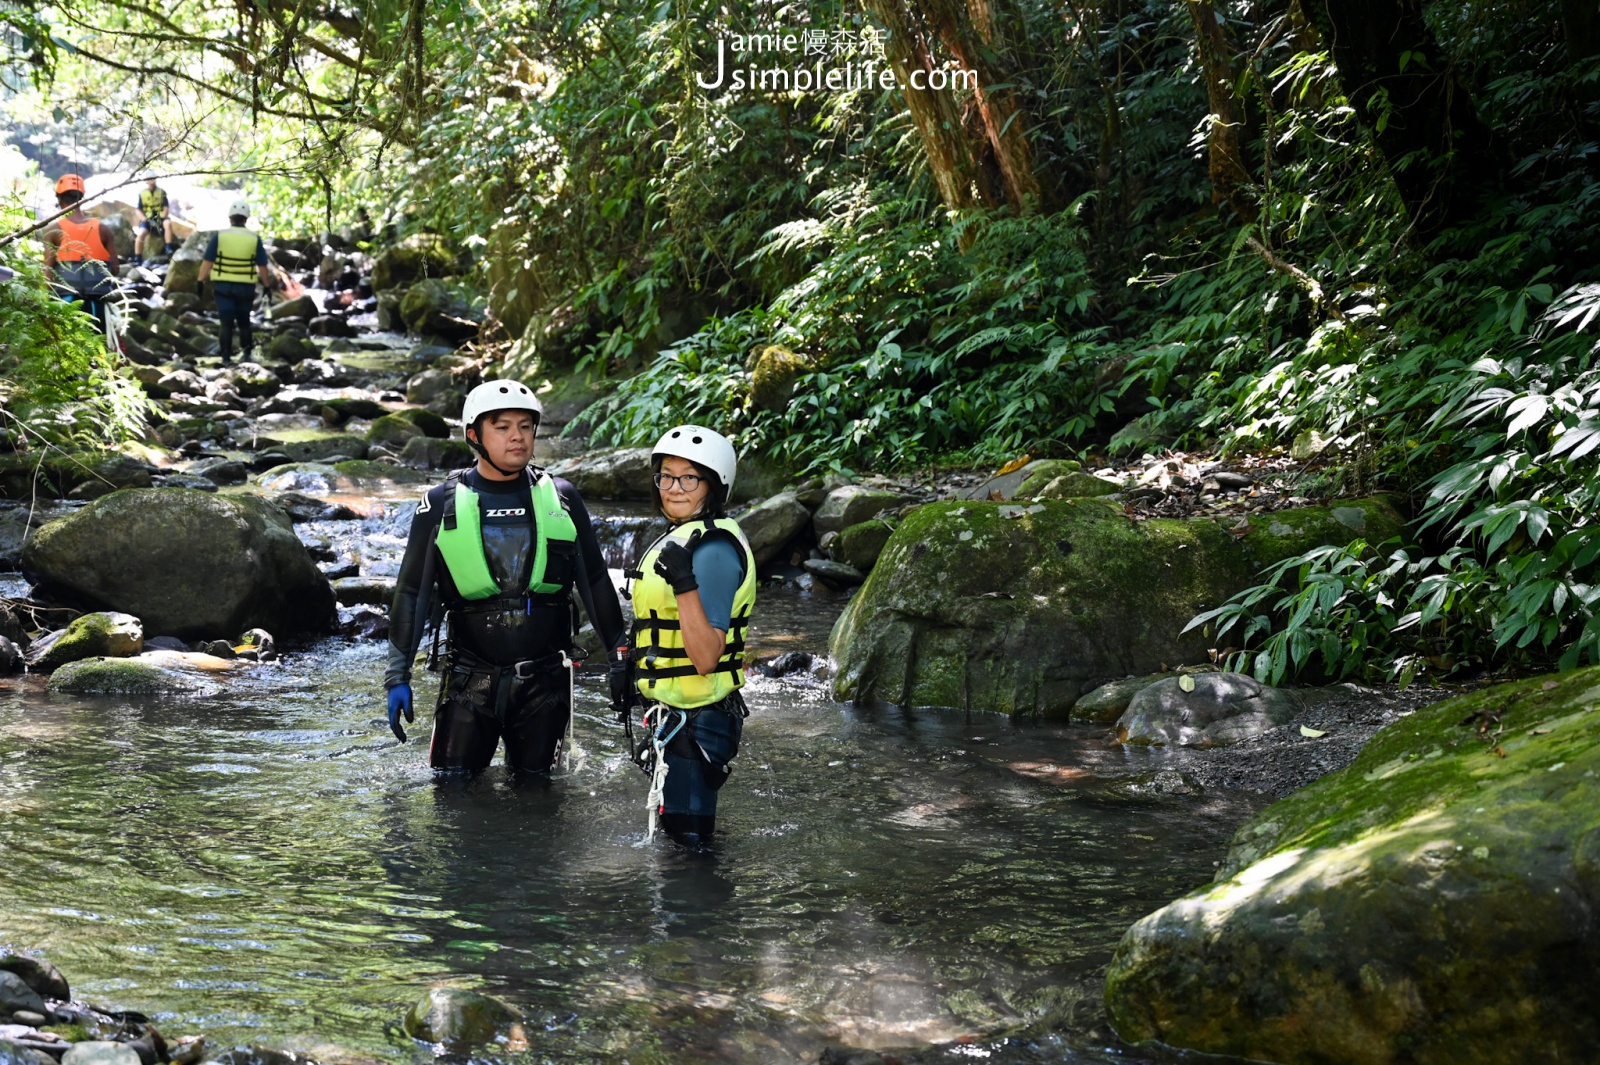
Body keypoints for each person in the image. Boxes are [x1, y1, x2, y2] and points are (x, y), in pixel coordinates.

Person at [385, 379, 629, 776]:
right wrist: (397, 677)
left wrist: (620, 659)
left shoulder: (563, 498)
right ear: (473, 436)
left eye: (526, 426)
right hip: (468, 683)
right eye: (502, 427)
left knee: (537, 804)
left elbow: (597, 582)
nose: (517, 437)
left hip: (545, 685)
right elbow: (411, 591)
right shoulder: (439, 504)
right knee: (451, 796)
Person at [622, 425, 758, 849]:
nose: (673, 488)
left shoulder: (713, 548)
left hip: (701, 720)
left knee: (690, 853)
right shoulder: (683, 535)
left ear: (714, 486)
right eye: (665, 476)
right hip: (680, 715)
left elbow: (705, 657)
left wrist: (683, 581)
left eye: (689, 478)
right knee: (680, 846)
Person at [196, 198, 274, 365]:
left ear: (230, 217)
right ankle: (247, 356)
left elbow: (208, 261)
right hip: (246, 287)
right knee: (244, 322)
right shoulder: (254, 238)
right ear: (246, 219)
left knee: (226, 323)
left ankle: (225, 358)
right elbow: (262, 266)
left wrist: (200, 281)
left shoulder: (220, 235)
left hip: (223, 286)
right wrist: (267, 287)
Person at [41, 174, 120, 334]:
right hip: (97, 303)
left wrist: (43, 300)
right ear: (82, 198)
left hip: (65, 301)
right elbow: (115, 269)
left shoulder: (53, 230)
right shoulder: (103, 229)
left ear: (59, 199)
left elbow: (47, 273)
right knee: (100, 348)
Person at [133, 178, 174, 264]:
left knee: (168, 224)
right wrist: (144, 219)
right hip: (147, 220)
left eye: (153, 179)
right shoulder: (142, 193)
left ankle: (169, 248)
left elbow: (166, 208)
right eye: (149, 180)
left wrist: (163, 217)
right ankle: (138, 258)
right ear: (146, 181)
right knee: (140, 234)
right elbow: (138, 210)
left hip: (160, 219)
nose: (151, 181)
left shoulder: (161, 192)